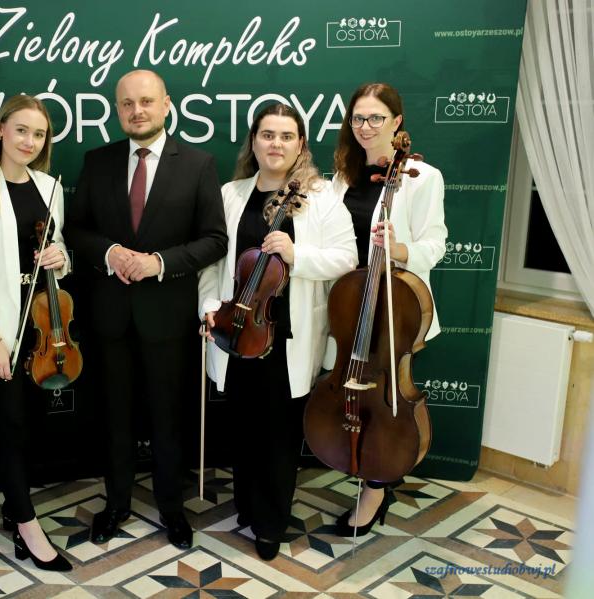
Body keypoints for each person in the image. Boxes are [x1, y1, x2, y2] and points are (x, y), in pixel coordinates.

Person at [64, 69, 227, 550]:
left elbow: (215, 239)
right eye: (127, 103)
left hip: (168, 319)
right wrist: (111, 253)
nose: (137, 111)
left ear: (166, 105)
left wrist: (159, 263)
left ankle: (171, 509)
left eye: (147, 101)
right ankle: (116, 504)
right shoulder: (97, 162)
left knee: (167, 420)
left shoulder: (198, 164)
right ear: (118, 110)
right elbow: (77, 230)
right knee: (114, 418)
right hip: (110, 318)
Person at [198, 103, 357, 560]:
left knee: (279, 435)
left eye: (287, 136)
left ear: (300, 144)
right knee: (244, 428)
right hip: (236, 331)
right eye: (267, 135)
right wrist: (210, 308)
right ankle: (248, 506)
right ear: (253, 141)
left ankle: (270, 524)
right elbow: (213, 263)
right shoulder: (231, 193)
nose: (276, 144)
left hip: (288, 337)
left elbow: (347, 258)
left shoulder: (321, 196)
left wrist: (295, 254)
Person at [0, 95, 72, 571]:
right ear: (0, 130)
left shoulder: (50, 186)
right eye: (21, 130)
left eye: (39, 134)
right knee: (10, 425)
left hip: (44, 327)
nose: (29, 141)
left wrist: (61, 257)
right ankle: (27, 527)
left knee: (33, 427)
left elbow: (57, 247)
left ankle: (12, 507)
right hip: (1, 329)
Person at [331, 82, 447, 536]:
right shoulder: (342, 175)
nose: (366, 127)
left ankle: (376, 486)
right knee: (350, 391)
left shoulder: (422, 176)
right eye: (358, 118)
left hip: (395, 309)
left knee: (386, 401)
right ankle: (356, 464)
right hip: (349, 306)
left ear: (396, 121)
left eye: (376, 118)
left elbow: (435, 243)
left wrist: (400, 250)